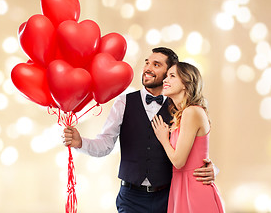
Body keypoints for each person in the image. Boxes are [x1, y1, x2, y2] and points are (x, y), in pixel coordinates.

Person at [63, 47, 216, 213]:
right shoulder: (123, 102)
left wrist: (211, 169)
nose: (148, 68)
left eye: (156, 65)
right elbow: (106, 144)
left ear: (169, 73)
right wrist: (80, 143)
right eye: (147, 63)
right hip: (130, 198)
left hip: (168, 197)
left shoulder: (180, 109)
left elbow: (194, 149)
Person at [152, 62, 224, 212]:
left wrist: (164, 138)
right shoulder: (181, 114)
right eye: (166, 76)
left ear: (186, 83)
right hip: (180, 187)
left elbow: (179, 161)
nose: (165, 80)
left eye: (172, 76)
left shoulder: (191, 112)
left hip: (194, 189)